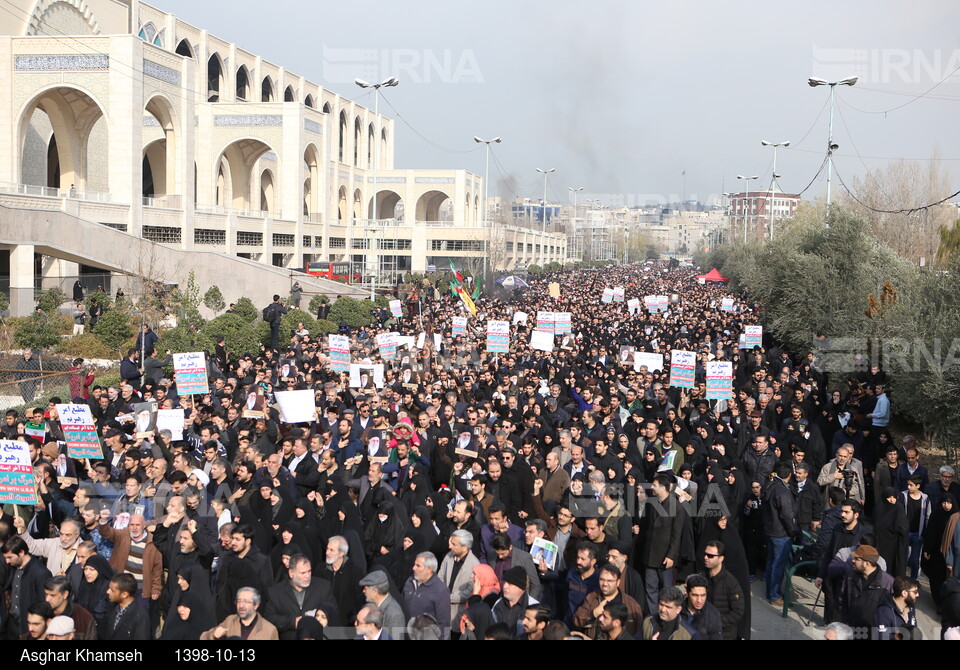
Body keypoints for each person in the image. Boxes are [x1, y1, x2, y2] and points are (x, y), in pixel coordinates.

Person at [264, 554, 336, 640]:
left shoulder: (323, 587)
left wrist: (320, 618)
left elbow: (334, 612)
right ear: (291, 573)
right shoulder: (276, 592)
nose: (307, 576)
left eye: (309, 571)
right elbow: (269, 618)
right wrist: (293, 622)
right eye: (303, 573)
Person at [3, 534, 53, 640]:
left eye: (10, 557)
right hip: (12, 625)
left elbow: (43, 604)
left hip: (28, 627)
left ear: (21, 552)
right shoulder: (13, 567)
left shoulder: (40, 573)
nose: (7, 561)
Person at [762, 464, 798, 607]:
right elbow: (787, 515)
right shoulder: (782, 491)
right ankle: (775, 595)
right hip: (781, 533)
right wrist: (793, 531)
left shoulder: (769, 486)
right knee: (778, 565)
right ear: (789, 475)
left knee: (771, 562)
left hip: (771, 530)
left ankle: (770, 592)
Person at [838, 545, 894, 630]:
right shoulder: (850, 576)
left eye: (857, 559)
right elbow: (842, 601)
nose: (852, 560)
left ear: (867, 563)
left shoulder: (888, 583)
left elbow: (890, 614)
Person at [702, 540, 745, 640]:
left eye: (710, 556)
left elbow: (738, 612)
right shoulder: (701, 577)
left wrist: (716, 621)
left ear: (721, 558)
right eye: (705, 554)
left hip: (725, 634)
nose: (705, 558)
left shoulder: (731, 583)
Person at [201, 587, 279, 640]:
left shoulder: (269, 630)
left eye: (245, 602)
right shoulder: (230, 621)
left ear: (256, 605)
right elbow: (203, 637)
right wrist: (213, 634)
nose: (241, 605)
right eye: (239, 601)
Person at [402, 552, 451, 637]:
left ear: (429, 569)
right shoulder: (410, 582)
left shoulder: (440, 590)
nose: (413, 568)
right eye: (414, 564)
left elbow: (444, 623)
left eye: (418, 566)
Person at [43, 575, 97, 640]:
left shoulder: (83, 618)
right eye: (46, 594)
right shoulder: (42, 615)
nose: (47, 599)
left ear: (65, 594)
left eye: (52, 595)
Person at [99, 573, 151, 640]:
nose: (108, 591)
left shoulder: (140, 616)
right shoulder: (112, 607)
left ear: (124, 594)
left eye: (112, 590)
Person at [685, 574, 723, 640]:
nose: (699, 600)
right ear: (687, 593)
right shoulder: (677, 610)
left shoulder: (713, 614)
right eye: (695, 595)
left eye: (703, 595)